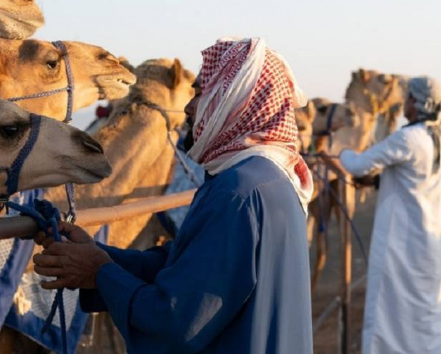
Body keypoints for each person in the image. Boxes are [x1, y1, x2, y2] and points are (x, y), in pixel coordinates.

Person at [32, 37, 314, 353]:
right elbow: (189, 266)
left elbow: (178, 320)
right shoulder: (268, 179)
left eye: (200, 94)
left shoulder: (237, 192)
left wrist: (99, 272)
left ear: (234, 102)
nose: (188, 107)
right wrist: (98, 255)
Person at [336, 76, 441, 354]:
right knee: (425, 313)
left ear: (419, 102)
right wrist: (379, 182)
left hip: (401, 246)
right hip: (429, 247)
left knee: (389, 311)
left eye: (409, 98)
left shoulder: (409, 138)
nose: (405, 104)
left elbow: (359, 164)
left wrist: (340, 152)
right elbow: (414, 178)